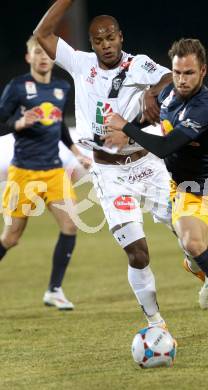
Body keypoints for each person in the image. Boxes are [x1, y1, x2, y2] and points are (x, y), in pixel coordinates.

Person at [105, 38, 208, 331]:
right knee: (192, 243)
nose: (181, 80)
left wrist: (125, 127)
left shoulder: (204, 107)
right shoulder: (168, 93)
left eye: (189, 73)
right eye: (178, 72)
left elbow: (167, 146)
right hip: (186, 191)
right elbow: (151, 116)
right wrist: (133, 124)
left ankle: (207, 274)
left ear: (203, 71)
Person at [34, 0, 175, 328]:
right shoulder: (80, 64)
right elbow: (42, 33)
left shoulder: (138, 65)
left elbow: (169, 79)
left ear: (120, 37)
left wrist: (152, 93)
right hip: (110, 172)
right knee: (138, 253)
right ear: (91, 42)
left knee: (188, 233)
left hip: (147, 164)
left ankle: (201, 267)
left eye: (110, 37)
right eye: (98, 40)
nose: (106, 44)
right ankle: (155, 321)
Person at [0, 36, 91, 310]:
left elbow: (60, 126)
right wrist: (18, 122)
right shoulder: (17, 87)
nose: (43, 57)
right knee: (11, 238)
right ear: (28, 58)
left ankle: (54, 289)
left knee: (70, 225)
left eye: (46, 53)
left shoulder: (62, 87)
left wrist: (76, 152)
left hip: (54, 172)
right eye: (36, 52)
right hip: (23, 174)